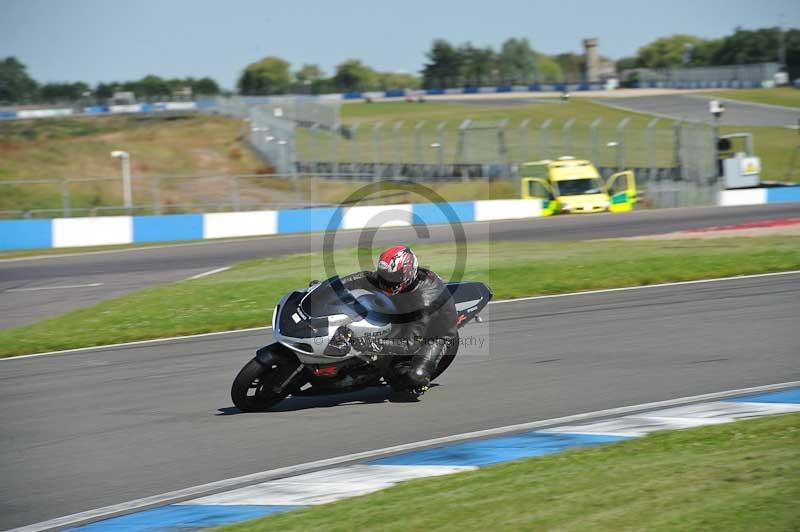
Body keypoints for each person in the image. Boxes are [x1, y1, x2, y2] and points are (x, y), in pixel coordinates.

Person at [338, 245, 458, 398]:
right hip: (403, 311)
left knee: (413, 378)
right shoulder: (391, 278)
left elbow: (410, 344)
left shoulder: (423, 302)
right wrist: (329, 287)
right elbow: (363, 278)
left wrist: (372, 344)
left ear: (407, 275)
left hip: (434, 334)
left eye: (392, 278)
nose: (385, 282)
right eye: (383, 275)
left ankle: (417, 381)